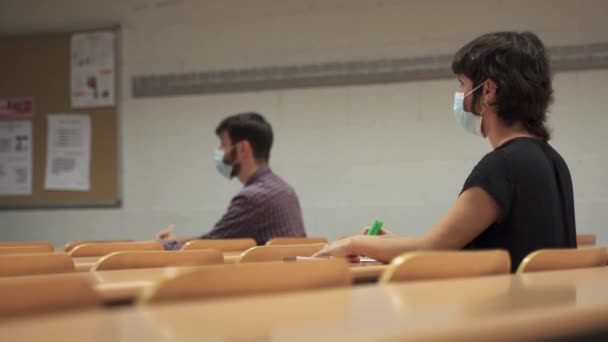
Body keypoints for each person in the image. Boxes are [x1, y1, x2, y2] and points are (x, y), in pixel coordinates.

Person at [313, 31, 577, 271]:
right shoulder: (552, 160)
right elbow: (456, 246)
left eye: (463, 83)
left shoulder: (502, 166)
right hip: (546, 315)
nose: (460, 93)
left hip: (505, 314)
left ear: (488, 91)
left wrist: (352, 244)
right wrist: (393, 245)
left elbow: (431, 249)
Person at [156, 112, 306, 249]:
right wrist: (178, 240)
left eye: (223, 144)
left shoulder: (253, 197)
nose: (219, 151)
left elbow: (207, 248)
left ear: (243, 149)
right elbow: (220, 238)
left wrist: (165, 244)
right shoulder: (284, 190)